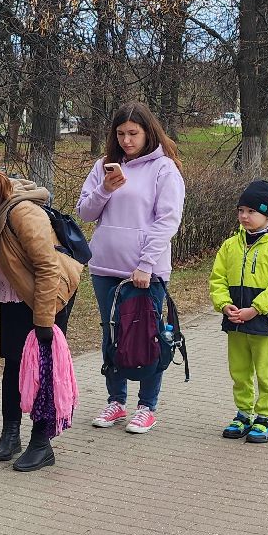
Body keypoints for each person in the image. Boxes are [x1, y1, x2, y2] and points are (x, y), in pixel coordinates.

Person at [0, 160, 84, 472]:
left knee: (43, 367)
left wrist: (44, 320)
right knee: (14, 362)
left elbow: (47, 267)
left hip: (47, 295)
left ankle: (42, 442)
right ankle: (10, 432)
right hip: (15, 292)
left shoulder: (24, 213)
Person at [76, 102, 186, 435]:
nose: (126, 140)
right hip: (105, 266)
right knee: (112, 335)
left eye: (133, 133)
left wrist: (146, 264)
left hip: (144, 272)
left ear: (148, 132)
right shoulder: (104, 167)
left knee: (146, 336)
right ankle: (116, 401)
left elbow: (167, 220)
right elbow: (85, 212)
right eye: (121, 133)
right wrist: (105, 189)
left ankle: (147, 406)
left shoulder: (164, 169)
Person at [208, 180, 268, 446]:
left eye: (251, 211)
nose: (244, 216)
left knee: (265, 372)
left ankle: (266, 416)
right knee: (239, 370)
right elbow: (217, 279)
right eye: (241, 210)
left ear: (267, 214)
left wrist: (256, 309)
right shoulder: (230, 245)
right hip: (235, 321)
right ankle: (244, 413)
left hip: (264, 322)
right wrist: (224, 304)